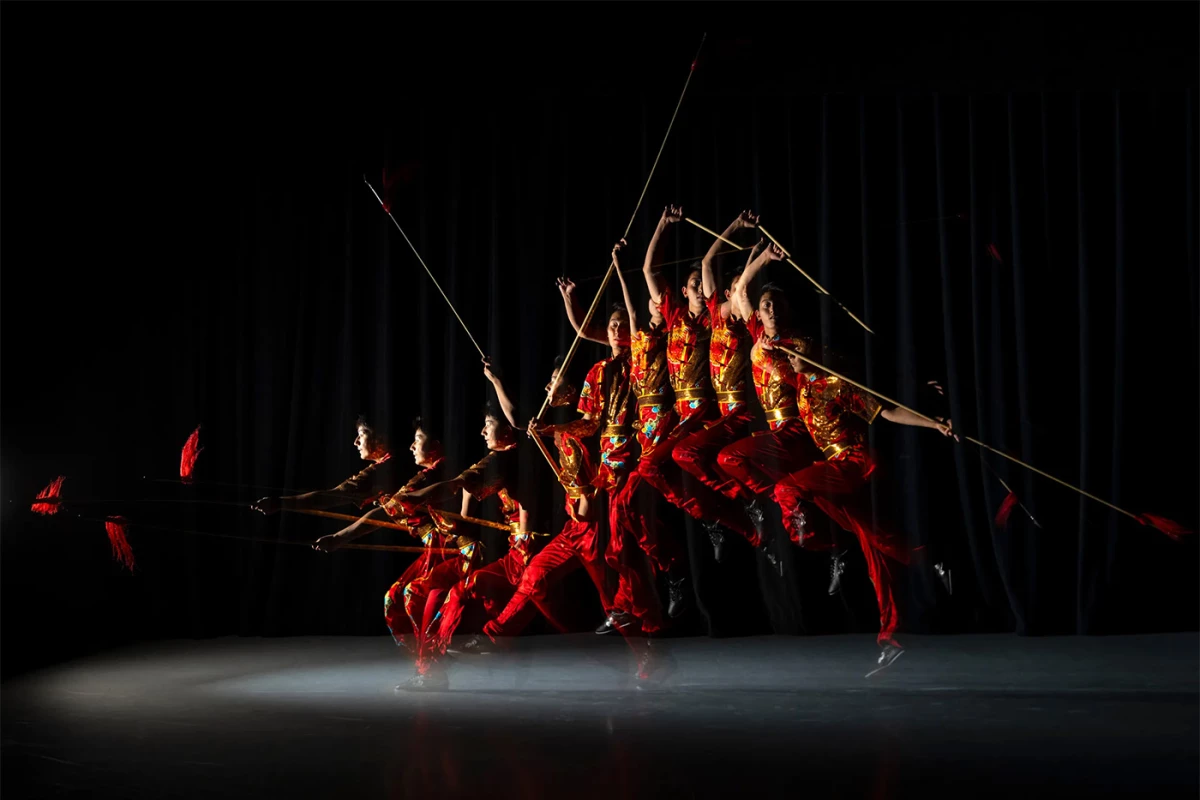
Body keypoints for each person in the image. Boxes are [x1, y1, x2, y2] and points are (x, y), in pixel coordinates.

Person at [770, 345, 956, 675]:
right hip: (832, 471)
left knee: (786, 487)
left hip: (854, 462)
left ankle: (804, 529)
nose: (790, 353)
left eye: (796, 347)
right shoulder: (798, 383)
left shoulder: (839, 384)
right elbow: (761, 351)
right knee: (877, 549)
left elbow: (886, 410)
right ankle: (899, 623)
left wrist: (935, 423)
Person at [454, 356, 631, 653]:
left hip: (598, 525)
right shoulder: (559, 426)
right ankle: (496, 636)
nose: (548, 386)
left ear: (573, 389)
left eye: (555, 380)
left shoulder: (588, 426)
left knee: (618, 606)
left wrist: (588, 500)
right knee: (534, 577)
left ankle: (645, 653)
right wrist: (496, 380)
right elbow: (519, 421)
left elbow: (601, 464)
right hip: (575, 527)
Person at [312, 418, 479, 683]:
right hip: (438, 551)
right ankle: (427, 664)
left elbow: (391, 508)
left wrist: (342, 535)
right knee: (393, 598)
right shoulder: (427, 473)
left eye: (419, 440)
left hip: (463, 554)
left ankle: (432, 668)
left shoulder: (444, 472)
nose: (412, 446)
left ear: (436, 446)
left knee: (416, 595)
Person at [715, 243, 824, 575]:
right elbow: (742, 291)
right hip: (774, 430)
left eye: (777, 303)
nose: (771, 308)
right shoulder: (757, 332)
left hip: (799, 426)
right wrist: (764, 256)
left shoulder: (800, 344)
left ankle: (782, 507)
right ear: (759, 314)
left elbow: (803, 382)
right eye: (766, 304)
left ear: (787, 310)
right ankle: (801, 522)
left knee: (728, 458)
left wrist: (771, 358)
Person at [673, 211, 768, 561]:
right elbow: (709, 260)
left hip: (742, 409)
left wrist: (759, 252)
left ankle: (750, 500)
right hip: (721, 412)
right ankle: (731, 510)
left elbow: (742, 288)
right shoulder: (713, 312)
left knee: (688, 453)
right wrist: (736, 227)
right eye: (729, 290)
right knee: (686, 457)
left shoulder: (742, 319)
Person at [251, 416, 399, 515]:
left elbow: (331, 496)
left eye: (361, 435)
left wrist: (280, 503)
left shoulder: (386, 468)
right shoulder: (387, 465)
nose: (356, 442)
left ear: (380, 437)